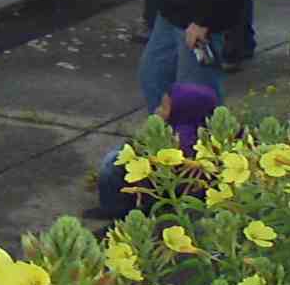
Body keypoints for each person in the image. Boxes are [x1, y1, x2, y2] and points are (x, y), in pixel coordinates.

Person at [92, 82, 220, 219]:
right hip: (170, 190)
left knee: (112, 161)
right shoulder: (202, 134)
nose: (157, 110)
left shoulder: (179, 140)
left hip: (158, 190)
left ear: (181, 110)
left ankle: (114, 211)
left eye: (164, 107)